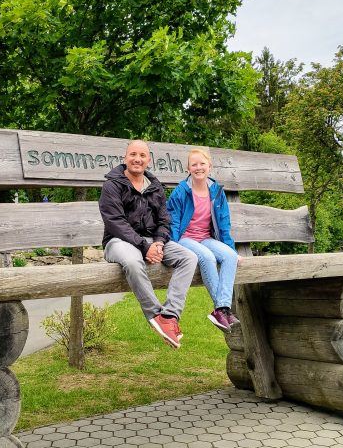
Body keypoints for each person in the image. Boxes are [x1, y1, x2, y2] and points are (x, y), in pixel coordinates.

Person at [99, 140, 198, 348]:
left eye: (142, 156)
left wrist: (159, 243)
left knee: (189, 257)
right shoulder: (112, 185)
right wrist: (145, 247)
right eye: (133, 154)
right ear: (125, 158)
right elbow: (115, 222)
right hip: (118, 241)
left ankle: (170, 315)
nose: (137, 159)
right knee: (134, 262)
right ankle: (155, 314)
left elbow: (164, 221)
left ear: (148, 160)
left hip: (153, 241)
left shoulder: (155, 187)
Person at [167, 148, 240, 331]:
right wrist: (173, 247)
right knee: (207, 257)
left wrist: (231, 248)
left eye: (202, 164)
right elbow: (173, 222)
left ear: (210, 166)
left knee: (230, 256)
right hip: (185, 239)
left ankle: (221, 309)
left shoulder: (216, 191)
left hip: (206, 238)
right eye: (194, 164)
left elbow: (224, 223)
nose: (198, 167)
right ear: (188, 168)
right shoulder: (181, 191)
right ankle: (222, 309)